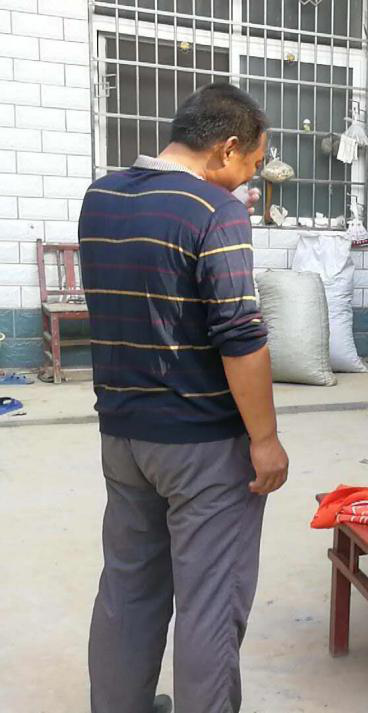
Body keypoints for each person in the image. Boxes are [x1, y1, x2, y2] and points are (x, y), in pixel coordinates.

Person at [83, 83, 287, 713]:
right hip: (201, 445)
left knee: (128, 588)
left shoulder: (101, 196)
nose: (249, 179)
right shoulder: (213, 210)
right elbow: (240, 334)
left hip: (123, 435)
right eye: (252, 163)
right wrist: (265, 439)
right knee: (210, 601)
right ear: (227, 148)